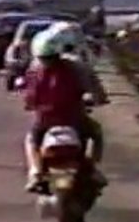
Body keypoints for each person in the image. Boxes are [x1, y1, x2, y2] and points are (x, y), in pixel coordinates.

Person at [22, 27, 107, 193]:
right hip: (74, 119)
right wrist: (98, 99)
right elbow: (94, 89)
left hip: (46, 121)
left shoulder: (35, 71)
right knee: (97, 133)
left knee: (31, 140)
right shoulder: (75, 67)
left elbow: (29, 98)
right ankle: (92, 168)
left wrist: (30, 104)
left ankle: (36, 172)